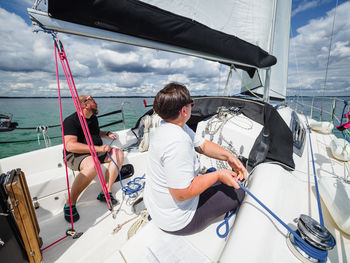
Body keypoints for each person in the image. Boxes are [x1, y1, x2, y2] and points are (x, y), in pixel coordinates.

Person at [144, 83, 247, 235]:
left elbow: (202, 145)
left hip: (159, 208)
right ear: (184, 110)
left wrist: (229, 157)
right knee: (238, 192)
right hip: (177, 221)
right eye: (191, 103)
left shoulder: (168, 124)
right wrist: (218, 174)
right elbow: (181, 193)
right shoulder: (177, 142)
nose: (193, 105)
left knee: (221, 179)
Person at [62, 95, 124, 222]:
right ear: (85, 104)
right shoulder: (70, 121)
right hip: (76, 154)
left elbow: (94, 131)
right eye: (93, 101)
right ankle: (70, 203)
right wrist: (99, 149)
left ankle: (105, 192)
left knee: (118, 153)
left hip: (95, 150)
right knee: (93, 164)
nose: (96, 103)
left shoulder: (93, 118)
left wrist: (106, 133)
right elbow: (70, 145)